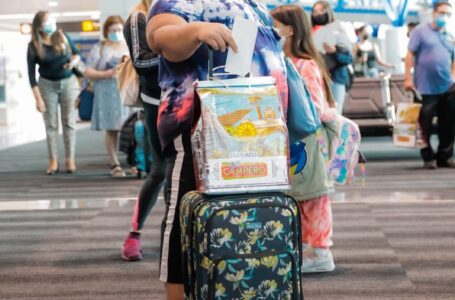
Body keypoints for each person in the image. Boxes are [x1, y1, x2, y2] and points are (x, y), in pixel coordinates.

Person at [146, 0, 288, 298]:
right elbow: (160, 38)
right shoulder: (180, 3)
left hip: (259, 133)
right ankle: (178, 293)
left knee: (254, 217)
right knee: (186, 213)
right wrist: (197, 30)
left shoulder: (253, 5)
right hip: (199, 129)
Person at [271, 4, 338, 273]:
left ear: (290, 29)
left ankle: (321, 252)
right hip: (286, 140)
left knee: (313, 196)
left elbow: (316, 109)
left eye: (274, 25)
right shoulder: (280, 62)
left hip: (306, 141)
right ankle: (303, 249)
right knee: (296, 196)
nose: (270, 30)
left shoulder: (305, 65)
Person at [121, 0, 177, 261]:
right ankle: (135, 232)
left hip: (185, 99)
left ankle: (174, 234)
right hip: (157, 102)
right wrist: (181, 46)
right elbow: (141, 63)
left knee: (183, 169)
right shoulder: (138, 19)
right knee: (161, 169)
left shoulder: (179, 13)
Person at [27, 11, 81, 175]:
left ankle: (70, 159)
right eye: (46, 21)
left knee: (69, 123)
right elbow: (31, 75)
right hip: (46, 85)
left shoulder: (63, 36)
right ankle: (53, 160)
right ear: (39, 26)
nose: (50, 23)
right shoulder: (34, 45)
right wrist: (38, 99)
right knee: (51, 124)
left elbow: (77, 54)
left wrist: (73, 62)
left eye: (51, 20)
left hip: (68, 83)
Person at [404, 0, 455, 169]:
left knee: (448, 123)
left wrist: (453, 76)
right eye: (442, 13)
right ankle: (428, 157)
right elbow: (410, 54)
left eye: (448, 14)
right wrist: (408, 78)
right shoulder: (420, 31)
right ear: (434, 13)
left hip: (448, 86)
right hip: (425, 87)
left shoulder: (449, 34)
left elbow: (454, 58)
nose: (444, 17)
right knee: (424, 123)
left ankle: (445, 157)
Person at [84, 16, 131, 177]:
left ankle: (134, 161)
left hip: (126, 89)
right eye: (113, 30)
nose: (116, 33)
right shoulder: (100, 47)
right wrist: (106, 73)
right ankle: (114, 163)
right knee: (111, 128)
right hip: (106, 90)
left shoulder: (128, 46)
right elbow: (87, 70)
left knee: (130, 126)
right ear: (106, 31)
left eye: (119, 30)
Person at [311, 0, 353, 114]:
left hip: (336, 78)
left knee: (335, 114)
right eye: (315, 11)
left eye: (321, 11)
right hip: (316, 79)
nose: (317, 14)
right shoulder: (310, 33)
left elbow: (349, 59)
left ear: (328, 12)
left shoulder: (338, 31)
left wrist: (334, 52)